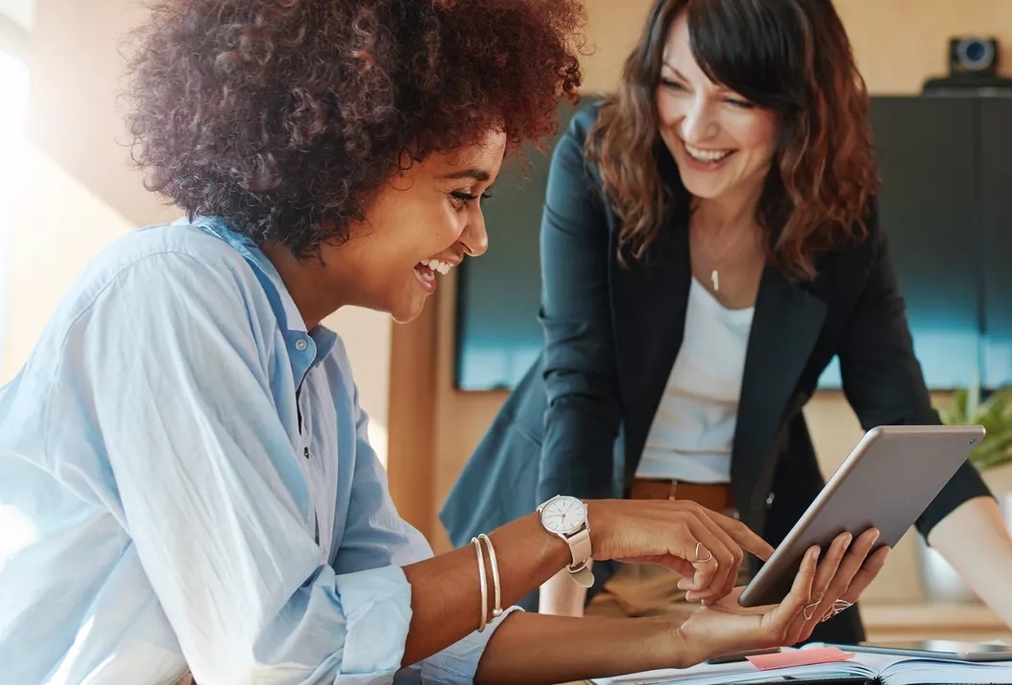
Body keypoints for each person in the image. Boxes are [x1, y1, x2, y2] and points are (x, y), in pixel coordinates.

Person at [0, 1, 886, 684]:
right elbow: (288, 657)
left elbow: (422, 639)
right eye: (461, 194)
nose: (476, 237)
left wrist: (690, 638)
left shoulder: (314, 367)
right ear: (346, 156)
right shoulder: (173, 290)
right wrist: (575, 526)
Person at [440, 0, 1012, 660]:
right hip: (571, 551)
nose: (695, 125)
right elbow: (582, 390)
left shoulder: (837, 221)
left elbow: (906, 424)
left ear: (797, 105)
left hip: (733, 567)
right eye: (675, 83)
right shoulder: (600, 159)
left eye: (734, 97)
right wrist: (559, 628)